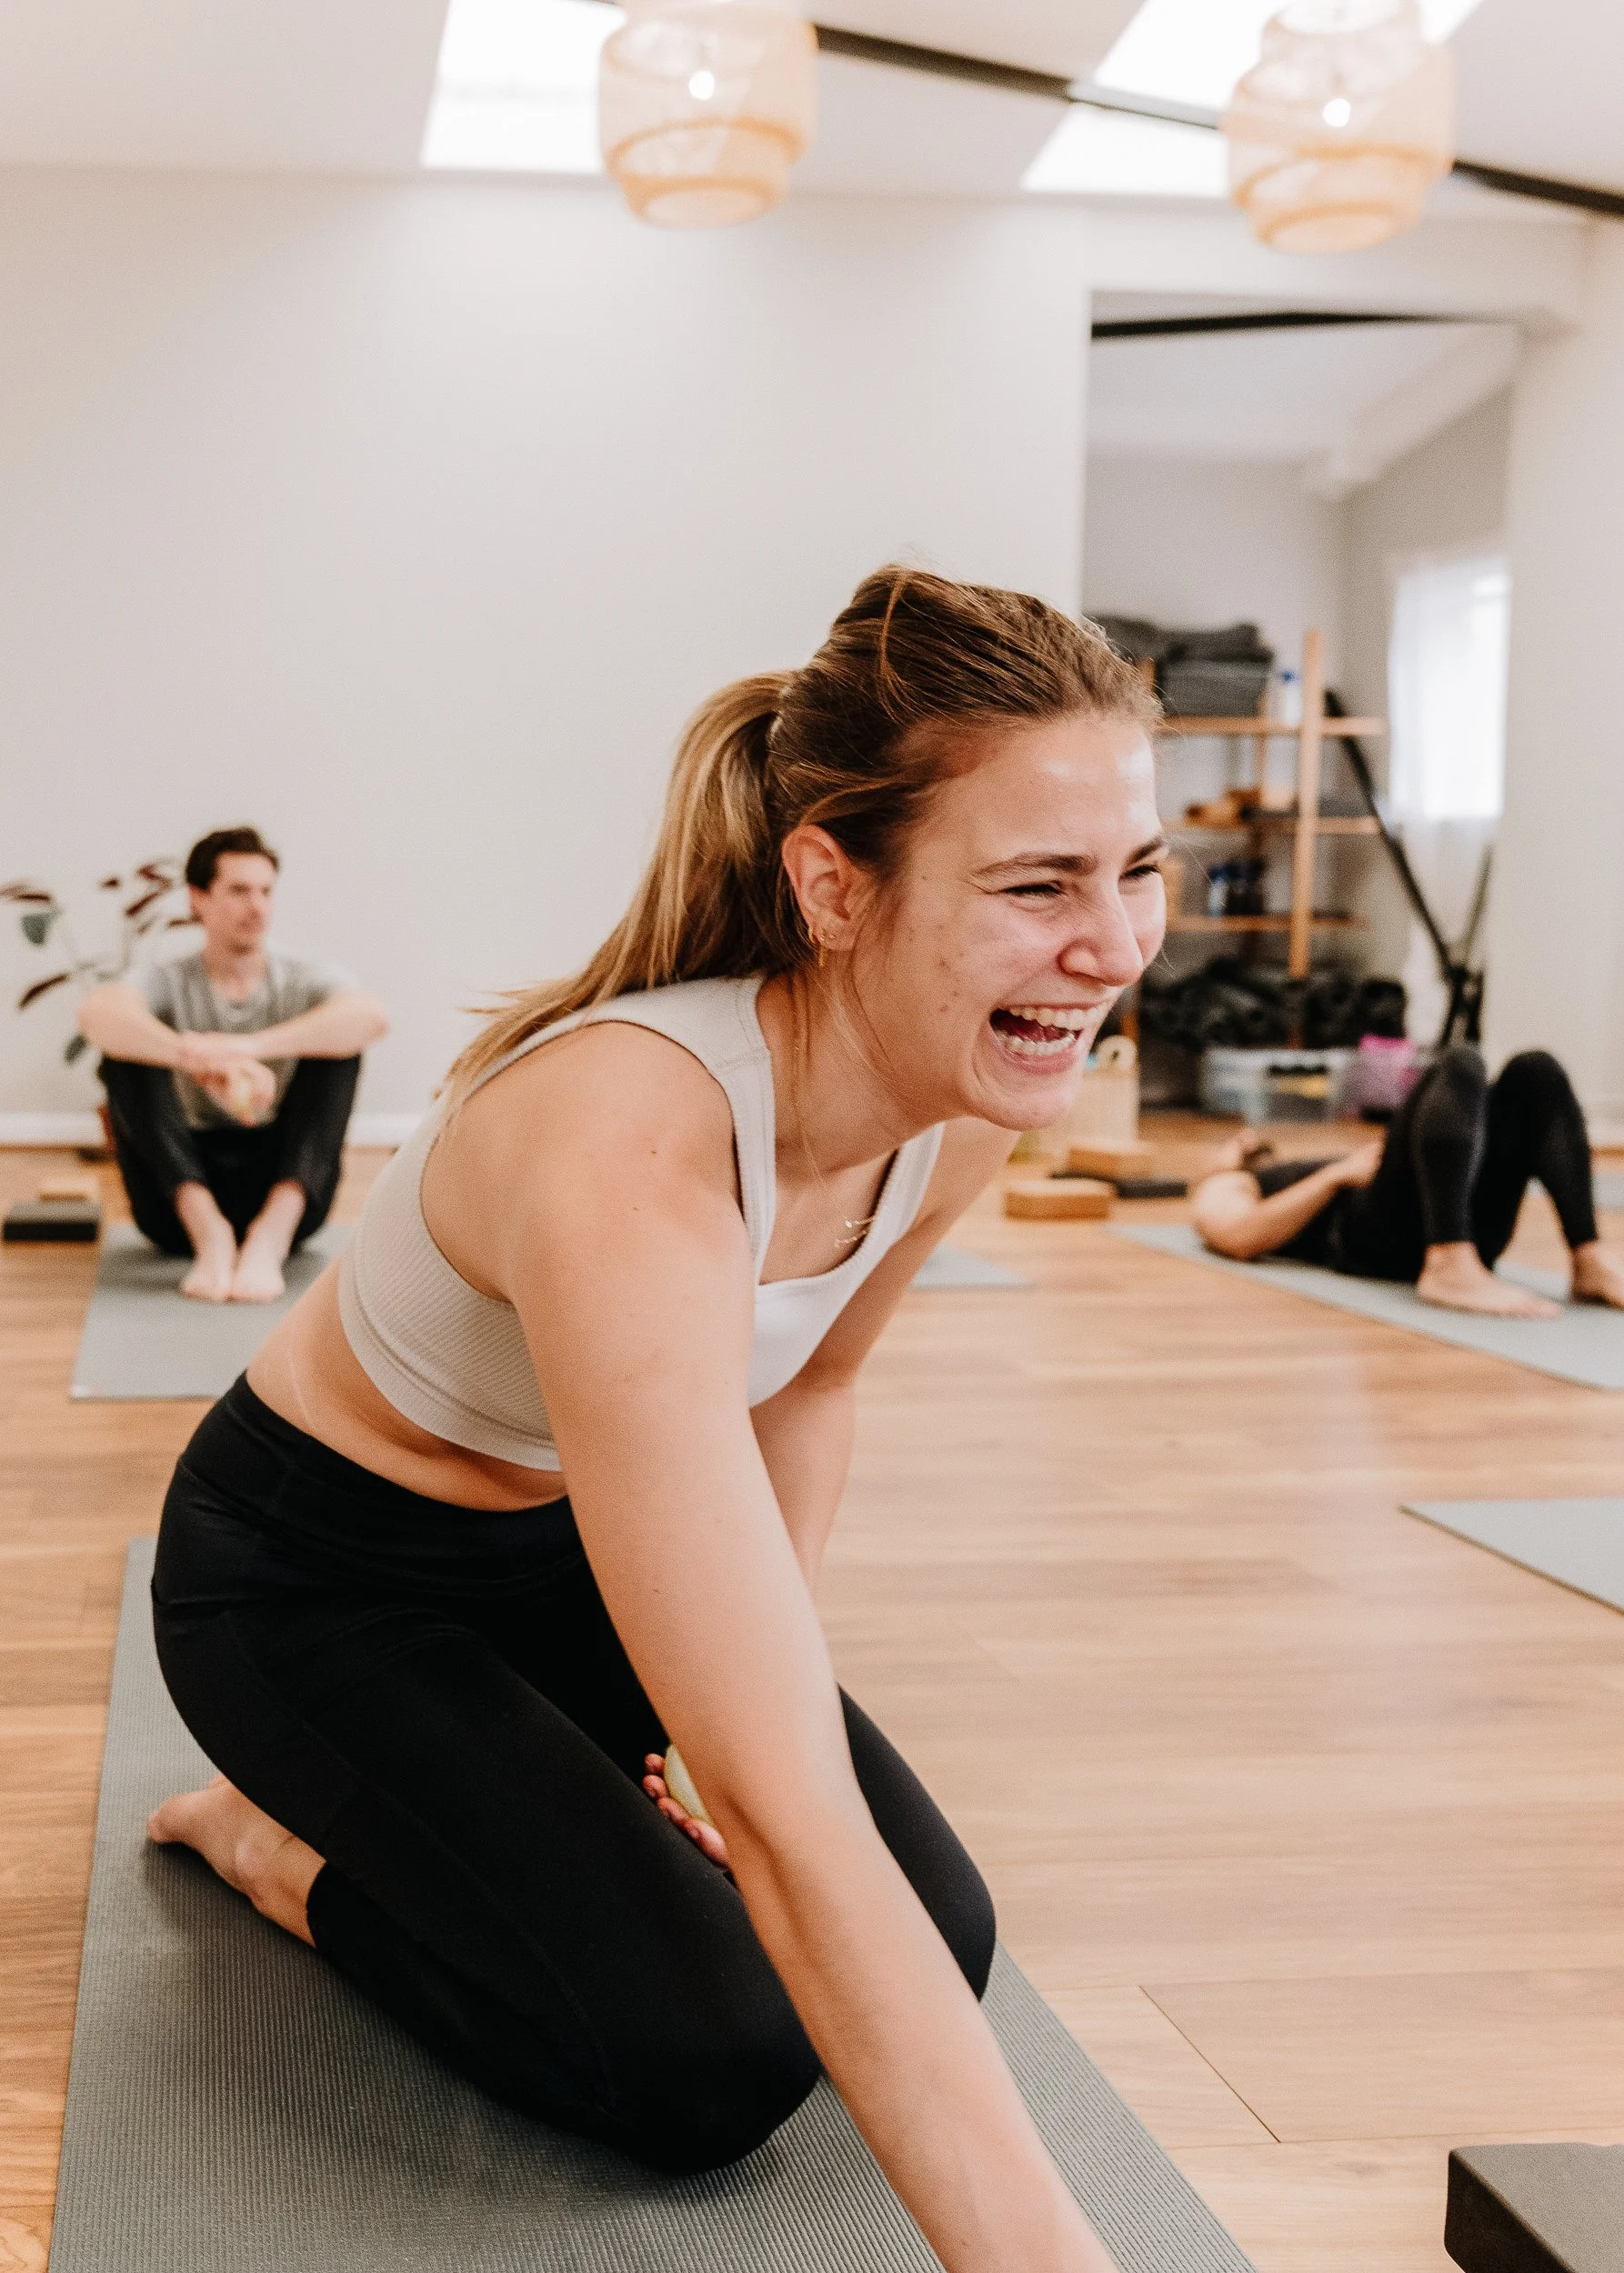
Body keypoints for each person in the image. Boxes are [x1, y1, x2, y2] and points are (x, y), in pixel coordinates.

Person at [142, 568, 1168, 2273]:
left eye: (1135, 872)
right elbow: (786, 1825)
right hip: (314, 1586)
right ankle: (269, 1842)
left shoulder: (962, 1096)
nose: (1115, 948)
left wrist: (731, 1701)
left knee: (942, 1935)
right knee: (712, 2059)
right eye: (1037, 884)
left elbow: (815, 1375)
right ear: (836, 886)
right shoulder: (634, 1140)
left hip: (566, 1550)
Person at [78, 827, 389, 1305]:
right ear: (198, 899)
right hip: (177, 1204)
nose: (258, 907)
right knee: (123, 1058)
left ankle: (268, 1239)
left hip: (285, 1193)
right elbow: (97, 1015)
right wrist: (195, 1054)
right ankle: (213, 1238)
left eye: (266, 891)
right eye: (239, 890)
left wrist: (249, 1048)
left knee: (339, 1049)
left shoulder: (300, 975)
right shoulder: (168, 976)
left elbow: (371, 1017)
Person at [1192, 1044, 1624, 1317]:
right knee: (1458, 1061)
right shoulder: (1229, 1183)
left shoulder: (1282, 1165)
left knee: (1536, 1071)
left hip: (1462, 1221)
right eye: (1234, 1142)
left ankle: (1588, 1257)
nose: (1245, 1138)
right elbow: (1238, 1236)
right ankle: (1448, 1261)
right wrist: (1335, 1176)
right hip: (1378, 1243)